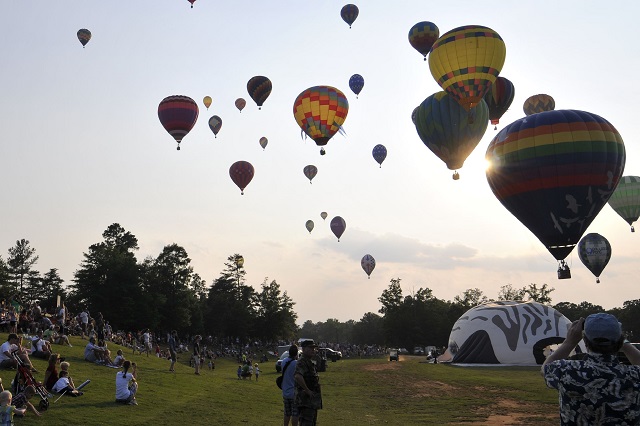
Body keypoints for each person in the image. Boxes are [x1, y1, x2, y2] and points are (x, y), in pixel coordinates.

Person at [542, 313, 640, 425]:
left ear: (585, 340)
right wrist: (622, 341)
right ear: (619, 341)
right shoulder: (635, 375)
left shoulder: (567, 370)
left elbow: (546, 368)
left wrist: (570, 342)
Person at [294, 340, 322, 426]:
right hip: (306, 401)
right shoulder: (302, 361)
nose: (313, 350)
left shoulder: (309, 361)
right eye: (310, 348)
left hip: (311, 402)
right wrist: (307, 390)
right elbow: (298, 376)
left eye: (314, 348)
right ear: (303, 349)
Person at [282, 345, 299, 426]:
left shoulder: (283, 361)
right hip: (294, 392)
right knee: (295, 414)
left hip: (285, 391)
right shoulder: (296, 363)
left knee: (287, 413)